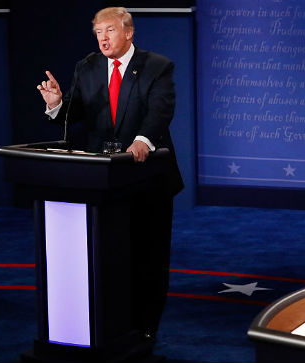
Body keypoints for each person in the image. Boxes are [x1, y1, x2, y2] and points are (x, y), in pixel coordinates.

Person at [37, 7, 183, 341]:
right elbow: (77, 113)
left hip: (148, 178)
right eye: (98, 32)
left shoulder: (157, 66)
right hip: (103, 182)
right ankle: (113, 323)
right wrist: (57, 104)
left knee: (149, 255)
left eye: (110, 30)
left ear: (128, 32)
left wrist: (143, 140)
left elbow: (161, 110)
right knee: (110, 256)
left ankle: (146, 327)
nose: (103, 38)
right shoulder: (86, 67)